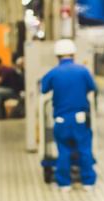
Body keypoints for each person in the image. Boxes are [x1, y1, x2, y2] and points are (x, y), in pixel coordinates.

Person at [41, 39, 97, 192]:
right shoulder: (83, 71)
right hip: (80, 119)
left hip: (61, 120)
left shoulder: (53, 73)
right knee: (84, 150)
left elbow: (43, 89)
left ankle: (64, 184)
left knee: (63, 151)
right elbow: (92, 87)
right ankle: (88, 183)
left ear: (57, 56)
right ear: (73, 54)